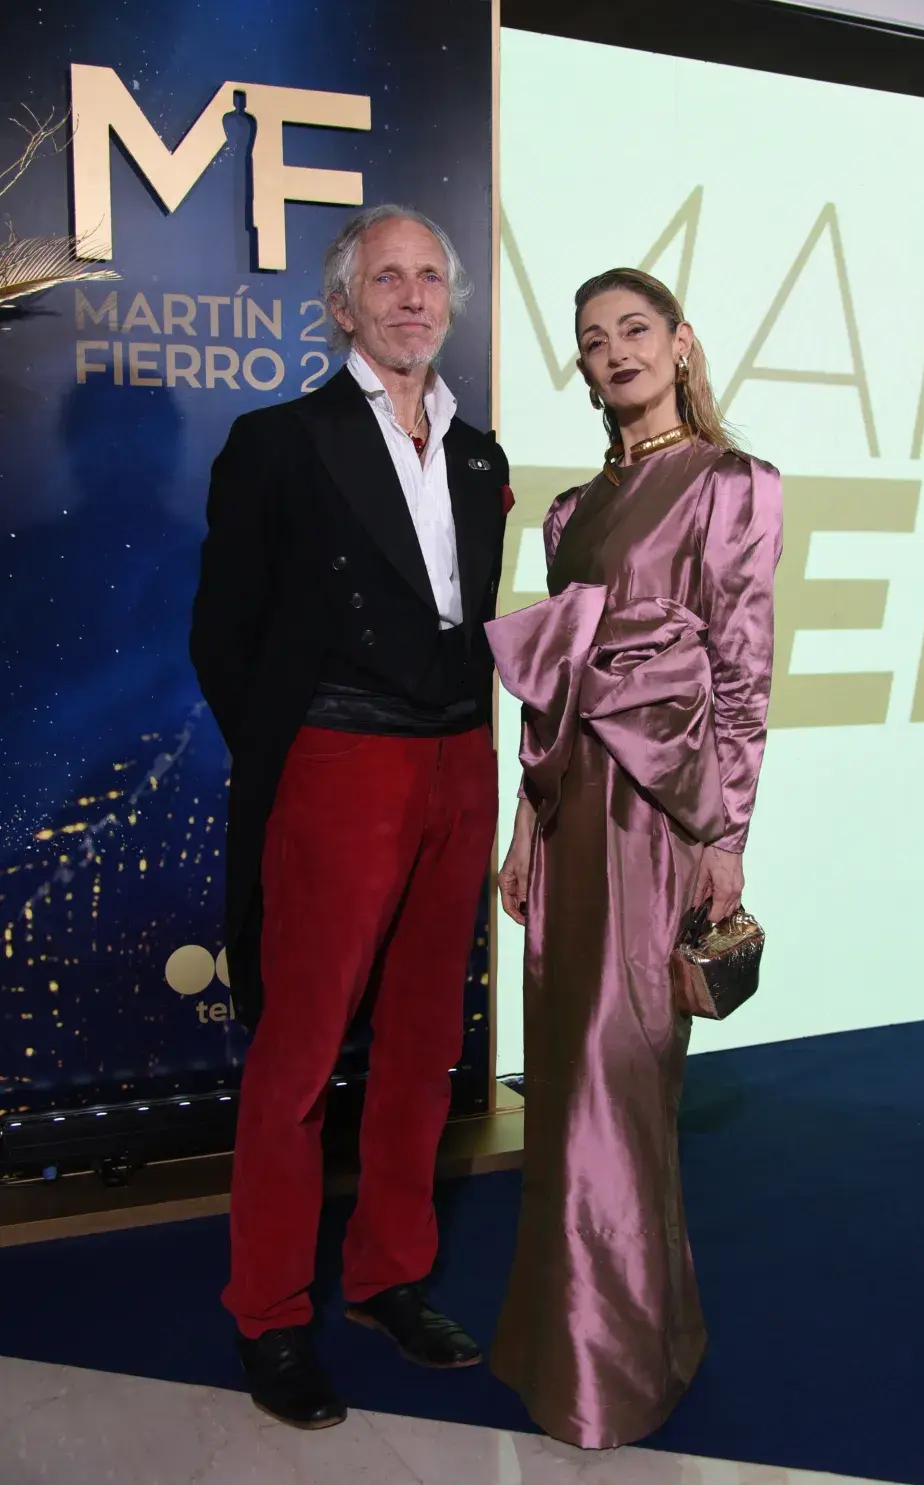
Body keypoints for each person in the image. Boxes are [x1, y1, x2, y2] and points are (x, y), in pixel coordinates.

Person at [190, 205, 509, 1429]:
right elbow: (223, 635)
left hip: (457, 764)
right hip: (338, 758)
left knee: (429, 1039)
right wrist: (298, 752)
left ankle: (387, 1275)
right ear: (343, 305)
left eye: (431, 277)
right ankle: (269, 1313)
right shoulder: (277, 441)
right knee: (300, 1054)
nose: (414, 297)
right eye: (388, 278)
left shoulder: (479, 457)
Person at [487, 268, 782, 1449]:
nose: (616, 352)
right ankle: (560, 1337)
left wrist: (728, 834)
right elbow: (551, 685)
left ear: (680, 343)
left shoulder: (734, 485)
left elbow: (743, 674)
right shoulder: (566, 515)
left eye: (635, 331)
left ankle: (625, 1356)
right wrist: (521, 823)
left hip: (662, 817)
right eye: (594, 340)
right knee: (564, 1082)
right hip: (568, 817)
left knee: (626, 1080)